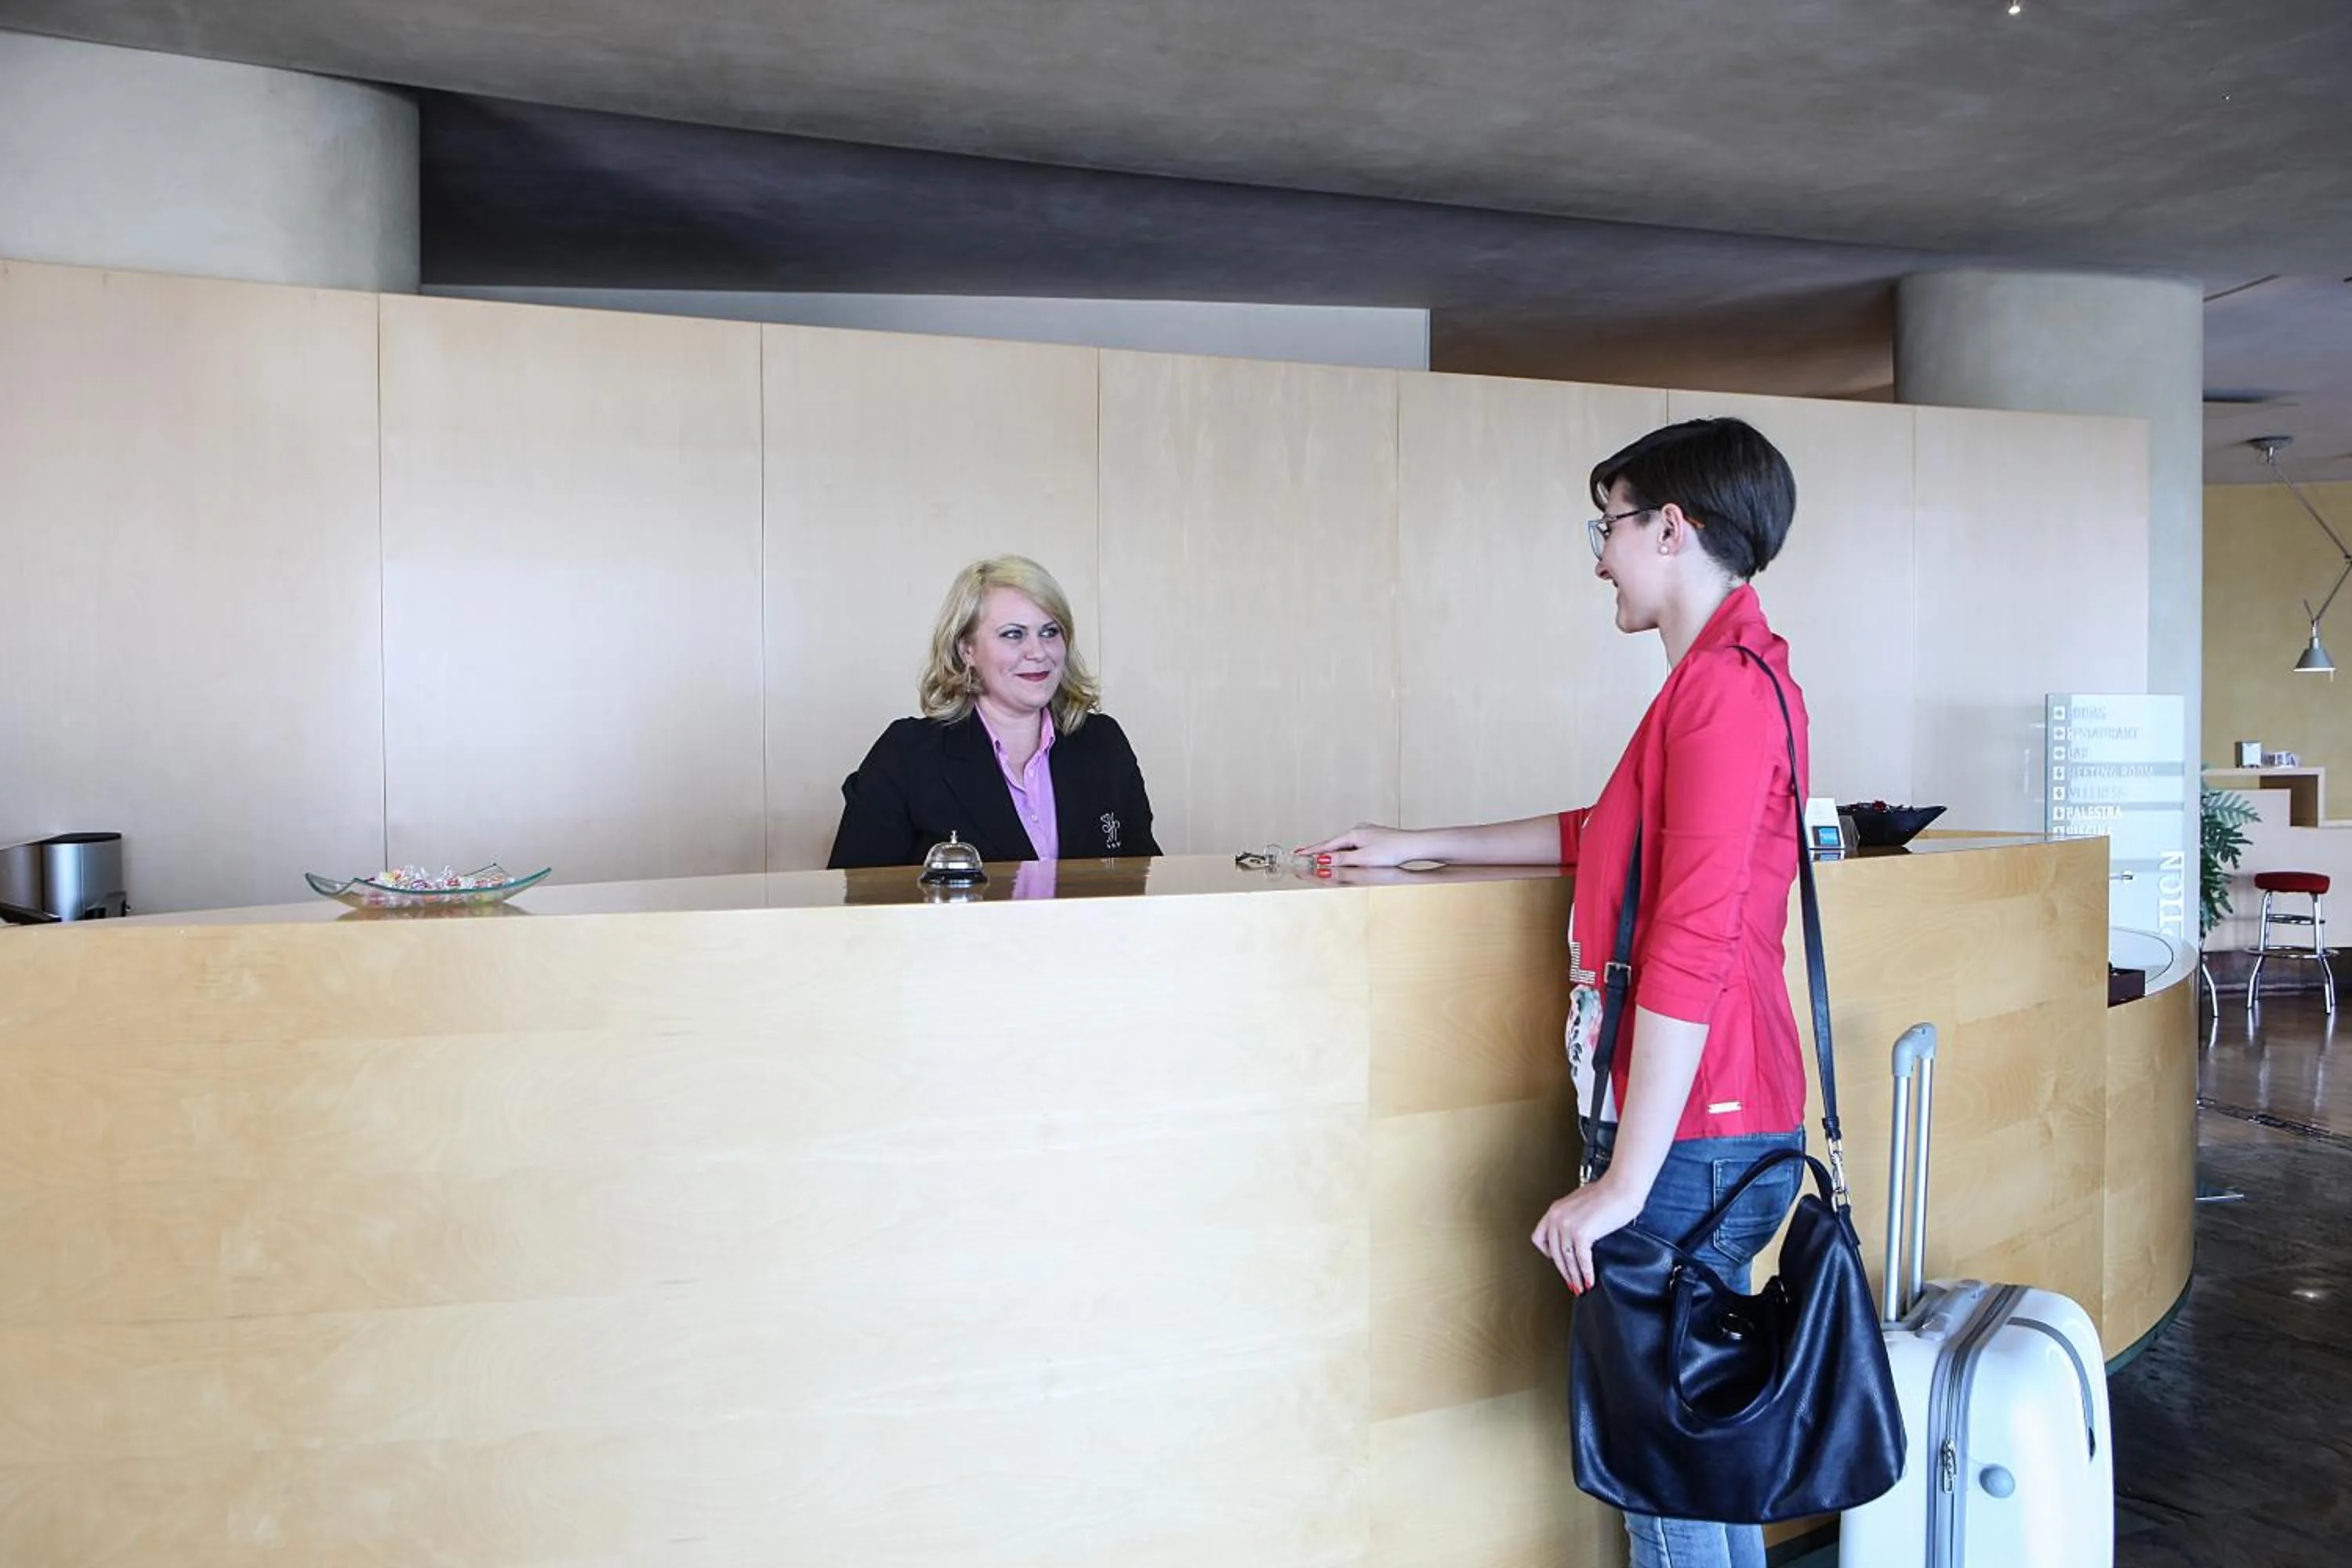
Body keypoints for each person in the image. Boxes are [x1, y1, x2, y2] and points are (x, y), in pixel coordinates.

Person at [1301, 417, 1808, 1568]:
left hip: (1693, 1134)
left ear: (1671, 528)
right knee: (1693, 1460)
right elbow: (1608, 835)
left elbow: (1690, 938)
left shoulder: (1722, 690)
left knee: (1664, 1473)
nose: (1600, 556)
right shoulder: (1725, 678)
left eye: (1611, 525)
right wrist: (1420, 845)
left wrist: (1625, 1181)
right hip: (1716, 1122)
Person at [827, 555, 1160, 871]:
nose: (1038, 652)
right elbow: (857, 899)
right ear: (966, 649)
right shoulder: (906, 754)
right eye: (1013, 634)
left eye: (1050, 632)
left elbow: (1144, 880)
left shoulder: (1103, 742)